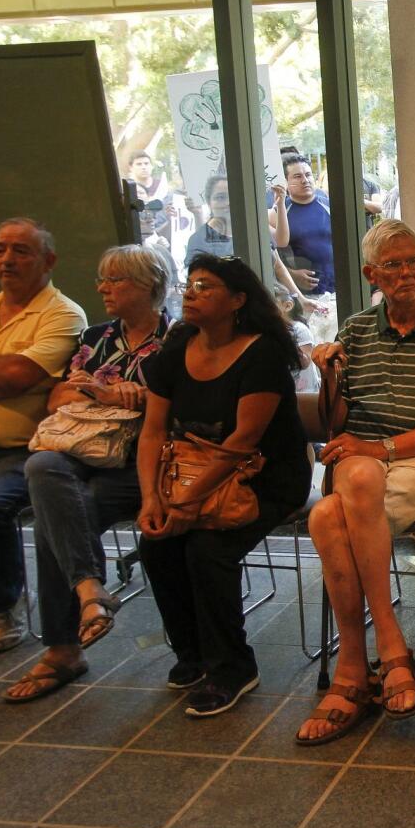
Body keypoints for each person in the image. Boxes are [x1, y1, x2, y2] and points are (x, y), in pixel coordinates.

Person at [297, 220, 415, 745]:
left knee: (326, 512)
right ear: (371, 274)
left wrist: (379, 450)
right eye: (394, 264)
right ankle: (389, 649)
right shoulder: (355, 330)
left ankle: (353, 669)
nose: (406, 272)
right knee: (350, 482)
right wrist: (328, 373)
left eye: (413, 261)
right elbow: (338, 422)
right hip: (364, 464)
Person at [136, 253, 310, 717]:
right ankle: (192, 657)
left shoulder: (263, 354)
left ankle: (232, 668)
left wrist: (187, 501)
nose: (191, 293)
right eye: (190, 284)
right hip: (191, 473)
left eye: (206, 286)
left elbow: (242, 443)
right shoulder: (177, 347)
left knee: (206, 548)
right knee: (155, 544)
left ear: (237, 300)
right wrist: (154, 497)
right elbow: (153, 431)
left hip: (265, 477)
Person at [2, 246, 170, 701]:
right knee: (42, 464)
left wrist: (99, 391)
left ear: (150, 284)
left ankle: (63, 648)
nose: (103, 288)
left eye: (115, 280)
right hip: (82, 454)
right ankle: (89, 589)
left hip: (144, 463)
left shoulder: (179, 338)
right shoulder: (95, 338)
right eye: (102, 279)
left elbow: (179, 408)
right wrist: (113, 395)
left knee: (57, 512)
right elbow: (57, 400)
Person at [0, 218, 86, 652]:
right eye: (0, 249)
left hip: (19, 451)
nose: (7, 259)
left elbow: (17, 375)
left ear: (48, 261)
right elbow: (12, 377)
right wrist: (2, 379)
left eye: (20, 251)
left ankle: (2, 610)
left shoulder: (63, 314)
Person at [271, 153, 338, 341]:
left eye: (308, 175)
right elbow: (273, 255)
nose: (305, 180)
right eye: (297, 176)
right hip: (304, 299)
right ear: (285, 181)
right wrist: (292, 274)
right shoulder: (279, 212)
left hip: (336, 293)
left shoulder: (329, 205)